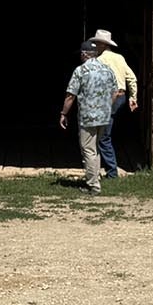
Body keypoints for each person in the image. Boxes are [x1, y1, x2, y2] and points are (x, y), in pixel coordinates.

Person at [60, 40, 118, 195]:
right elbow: (115, 92)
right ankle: (95, 178)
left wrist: (64, 113)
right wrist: (106, 106)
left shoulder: (81, 71)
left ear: (85, 54)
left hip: (87, 117)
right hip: (104, 117)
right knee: (95, 148)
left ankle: (93, 185)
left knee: (88, 149)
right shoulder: (107, 70)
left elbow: (70, 95)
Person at [90, 29, 138, 179]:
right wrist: (133, 98)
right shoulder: (120, 58)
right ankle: (107, 167)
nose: (95, 46)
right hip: (122, 97)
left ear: (103, 45)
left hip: (108, 98)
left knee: (103, 135)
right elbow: (131, 78)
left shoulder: (100, 60)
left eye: (97, 43)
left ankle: (111, 172)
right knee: (106, 131)